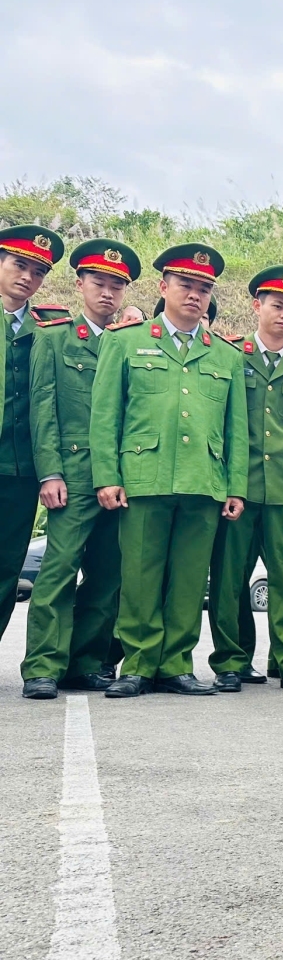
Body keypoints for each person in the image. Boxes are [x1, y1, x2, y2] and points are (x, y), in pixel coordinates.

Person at [91, 243, 249, 696]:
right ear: (163, 287)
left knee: (187, 580)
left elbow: (235, 429)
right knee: (139, 575)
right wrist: (107, 475)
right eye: (185, 285)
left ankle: (177, 663)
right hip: (144, 477)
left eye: (203, 288)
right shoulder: (125, 342)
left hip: (204, 481)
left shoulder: (226, 356)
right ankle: (139, 664)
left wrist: (234, 486)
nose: (194, 295)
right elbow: (106, 417)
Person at [206, 266, 283, 693]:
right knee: (228, 579)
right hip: (235, 487)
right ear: (257, 305)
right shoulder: (227, 356)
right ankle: (230, 662)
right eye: (277, 305)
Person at [22, 239, 137, 698]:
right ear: (80, 284)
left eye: (116, 286)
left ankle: (87, 661)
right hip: (72, 476)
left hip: (121, 479)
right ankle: (43, 666)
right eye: (98, 283)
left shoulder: (130, 343)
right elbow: (42, 410)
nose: (107, 293)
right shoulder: (55, 337)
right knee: (59, 569)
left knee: (109, 574)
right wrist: (49, 473)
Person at [0, 226, 66, 647]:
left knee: (7, 567)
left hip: (21, 466)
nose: (27, 276)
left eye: (38, 271)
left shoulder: (49, 326)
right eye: (19, 265)